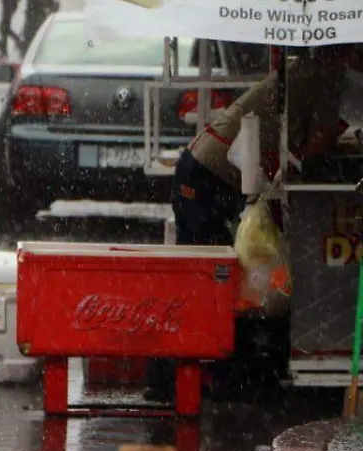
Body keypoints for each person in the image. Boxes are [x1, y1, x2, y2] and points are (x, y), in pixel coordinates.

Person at [144, 45, 354, 402]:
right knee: (208, 278)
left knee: (226, 277)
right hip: (209, 175)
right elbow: (317, 144)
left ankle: (223, 372)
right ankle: (173, 376)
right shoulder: (323, 77)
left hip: (210, 169)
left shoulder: (305, 69)